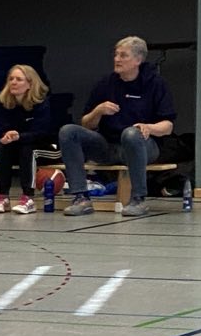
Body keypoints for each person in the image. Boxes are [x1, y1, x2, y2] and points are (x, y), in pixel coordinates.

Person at [58, 36, 177, 217]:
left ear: (138, 60)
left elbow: (168, 126)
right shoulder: (106, 84)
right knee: (68, 131)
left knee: (131, 134)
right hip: (108, 145)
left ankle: (138, 199)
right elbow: (86, 124)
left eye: (123, 55)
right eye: (116, 55)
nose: (117, 59)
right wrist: (98, 111)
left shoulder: (155, 84)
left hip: (142, 146)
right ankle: (81, 197)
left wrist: (149, 128)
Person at [0, 63, 54, 215]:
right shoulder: (3, 104)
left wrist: (20, 136)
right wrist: (5, 136)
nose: (13, 82)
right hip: (18, 145)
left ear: (30, 84)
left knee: (28, 150)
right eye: (11, 79)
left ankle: (28, 198)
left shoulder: (42, 104)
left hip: (46, 146)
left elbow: (43, 133)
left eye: (19, 79)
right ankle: (3, 197)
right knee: (1, 149)